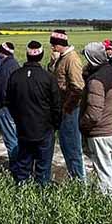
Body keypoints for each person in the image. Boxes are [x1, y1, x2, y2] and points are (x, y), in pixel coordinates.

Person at [5, 41, 61, 185]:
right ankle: (42, 195)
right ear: (41, 56)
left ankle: (22, 190)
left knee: (23, 163)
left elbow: (9, 102)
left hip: (23, 128)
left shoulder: (15, 76)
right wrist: (55, 125)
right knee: (43, 166)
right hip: (44, 129)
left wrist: (18, 120)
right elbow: (56, 106)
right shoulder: (48, 77)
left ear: (27, 55)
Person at [80, 42, 112, 195]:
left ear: (91, 59)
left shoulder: (96, 81)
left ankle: (108, 207)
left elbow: (94, 114)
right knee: (110, 169)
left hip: (101, 133)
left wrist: (82, 126)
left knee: (104, 173)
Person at [47, 29, 87, 181]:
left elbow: (78, 88)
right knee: (65, 144)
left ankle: (79, 182)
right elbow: (54, 77)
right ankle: (74, 178)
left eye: (53, 45)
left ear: (60, 44)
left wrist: (66, 109)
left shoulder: (72, 59)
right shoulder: (62, 57)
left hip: (69, 109)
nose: (52, 48)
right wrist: (53, 63)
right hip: (64, 107)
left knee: (72, 147)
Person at [0, 42, 20, 165]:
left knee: (11, 140)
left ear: (2, 53)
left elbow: (3, 90)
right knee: (16, 138)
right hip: (14, 107)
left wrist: (0, 104)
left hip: (6, 108)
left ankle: (15, 168)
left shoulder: (6, 67)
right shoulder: (14, 64)